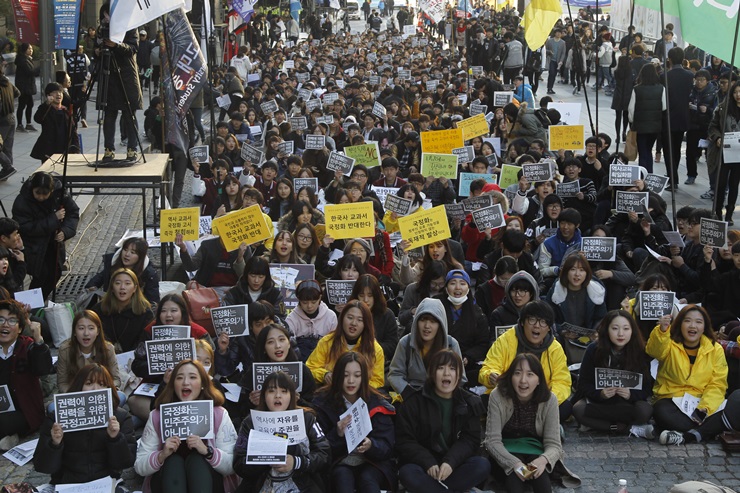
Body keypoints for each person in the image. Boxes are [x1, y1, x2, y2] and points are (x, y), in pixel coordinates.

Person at [134, 359, 239, 493]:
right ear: (173, 385)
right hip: (167, 481)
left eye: (193, 377)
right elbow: (140, 466)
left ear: (202, 384)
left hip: (210, 482)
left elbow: (232, 465)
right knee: (173, 462)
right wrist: (162, 455)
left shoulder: (218, 414)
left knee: (197, 460)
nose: (185, 382)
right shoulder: (157, 416)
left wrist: (208, 452)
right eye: (179, 378)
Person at [395, 349, 491, 493]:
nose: (447, 373)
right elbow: (405, 441)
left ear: (459, 375)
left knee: (482, 465)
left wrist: (450, 462)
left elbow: (470, 439)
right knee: (407, 473)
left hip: (454, 465)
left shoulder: (469, 402)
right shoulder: (414, 402)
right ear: (432, 373)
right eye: (441, 368)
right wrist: (427, 462)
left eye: (452, 369)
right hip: (424, 466)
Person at [485, 353, 581, 492]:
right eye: (517, 373)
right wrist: (515, 464)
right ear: (511, 376)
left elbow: (554, 445)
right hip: (506, 451)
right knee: (514, 485)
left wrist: (542, 460)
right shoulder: (498, 395)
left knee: (542, 484)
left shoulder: (549, 399)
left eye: (530, 374)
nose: (523, 380)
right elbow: (492, 441)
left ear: (539, 380)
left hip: (535, 450)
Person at [33, 364, 136, 485]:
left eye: (101, 384)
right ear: (79, 386)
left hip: (106, 483)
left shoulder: (120, 417)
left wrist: (115, 438)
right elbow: (42, 466)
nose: (95, 389)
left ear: (109, 388)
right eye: (89, 383)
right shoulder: (57, 418)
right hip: (67, 484)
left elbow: (126, 463)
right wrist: (55, 444)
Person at [312, 352, 397, 493]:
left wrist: (371, 445)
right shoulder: (322, 402)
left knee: (368, 480)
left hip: (373, 462)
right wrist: (337, 433)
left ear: (364, 378)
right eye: (346, 375)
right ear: (337, 376)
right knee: (342, 478)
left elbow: (387, 446)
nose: (351, 381)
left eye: (357, 376)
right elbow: (320, 449)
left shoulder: (377, 402)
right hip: (340, 460)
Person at [233, 371, 330, 493]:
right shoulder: (250, 422)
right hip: (261, 486)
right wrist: (264, 458)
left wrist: (296, 462)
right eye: (272, 391)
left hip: (301, 486)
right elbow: (238, 464)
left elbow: (324, 454)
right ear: (264, 395)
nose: (278, 396)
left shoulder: (306, 419)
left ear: (292, 396)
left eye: (284, 391)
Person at [479, 301, 572, 420]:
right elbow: (488, 367)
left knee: (566, 407)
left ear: (549, 328)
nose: (537, 326)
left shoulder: (555, 348)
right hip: (508, 397)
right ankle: (535, 423)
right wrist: (491, 376)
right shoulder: (506, 340)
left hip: (540, 400)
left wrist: (546, 399)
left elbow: (562, 382)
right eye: (532, 320)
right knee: (482, 402)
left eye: (543, 322)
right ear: (522, 322)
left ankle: (520, 421)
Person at [572, 310, 655, 437]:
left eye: (626, 329)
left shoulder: (640, 351)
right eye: (615, 328)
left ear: (632, 331)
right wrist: (600, 394)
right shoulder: (594, 350)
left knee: (644, 411)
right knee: (579, 409)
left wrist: (630, 394)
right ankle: (626, 428)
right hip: (601, 403)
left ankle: (600, 425)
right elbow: (583, 384)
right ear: (606, 330)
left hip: (628, 404)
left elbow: (647, 388)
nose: (621, 334)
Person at [647, 305, 728, 433]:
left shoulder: (715, 349)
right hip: (671, 399)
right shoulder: (669, 343)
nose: (692, 326)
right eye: (687, 321)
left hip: (701, 400)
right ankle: (703, 431)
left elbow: (717, 384)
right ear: (679, 324)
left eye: (698, 322)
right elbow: (654, 351)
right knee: (661, 412)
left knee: (727, 410)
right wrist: (662, 331)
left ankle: (691, 432)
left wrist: (704, 408)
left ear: (704, 326)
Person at [12, 171, 79, 299]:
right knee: (41, 274)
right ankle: (30, 304)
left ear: (52, 190)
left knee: (55, 272)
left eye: (45, 194)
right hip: (33, 245)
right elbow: (25, 227)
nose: (41, 197)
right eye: (38, 193)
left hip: (53, 243)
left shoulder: (60, 195)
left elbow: (73, 213)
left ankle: (39, 301)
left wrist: (65, 231)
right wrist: (54, 219)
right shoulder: (22, 201)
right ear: (32, 189)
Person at [388, 297, 466, 400]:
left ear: (440, 324)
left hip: (441, 397)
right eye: (423, 320)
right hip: (412, 398)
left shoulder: (451, 344)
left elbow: (461, 378)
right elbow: (395, 374)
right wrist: (408, 393)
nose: (427, 326)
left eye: (433, 321)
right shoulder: (405, 342)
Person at [0, 299, 51, 452]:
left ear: (20, 328)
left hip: (24, 411)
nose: (5, 324)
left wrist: (39, 341)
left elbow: (43, 369)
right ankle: (8, 437)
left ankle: (10, 435)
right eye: (0, 319)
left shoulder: (27, 346)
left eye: (11, 321)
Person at [96, 2, 143, 161]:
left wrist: (116, 45)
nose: (106, 19)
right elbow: (96, 49)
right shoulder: (102, 30)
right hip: (109, 77)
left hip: (126, 77)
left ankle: (132, 148)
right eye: (104, 16)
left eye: (108, 16)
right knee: (109, 114)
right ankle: (108, 149)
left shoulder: (130, 26)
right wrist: (97, 51)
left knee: (129, 114)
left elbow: (133, 48)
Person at [237, 323, 316, 414]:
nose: (277, 346)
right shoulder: (254, 373)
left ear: (289, 344)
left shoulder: (302, 371)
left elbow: (314, 408)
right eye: (270, 342)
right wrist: (252, 403)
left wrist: (298, 401)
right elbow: (240, 412)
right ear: (263, 348)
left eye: (282, 340)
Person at [306, 300, 385, 388]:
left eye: (360, 320)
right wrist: (324, 375)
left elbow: (378, 381)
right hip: (330, 392)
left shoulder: (375, 349)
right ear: (342, 318)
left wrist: (357, 385)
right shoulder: (326, 342)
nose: (353, 323)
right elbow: (310, 368)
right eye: (350, 318)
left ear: (366, 324)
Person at [434, 269, 488, 384]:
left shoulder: (477, 314)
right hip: (436, 359)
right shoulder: (435, 305)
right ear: (446, 287)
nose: (457, 288)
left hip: (464, 364)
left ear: (468, 288)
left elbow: (482, 344)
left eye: (462, 284)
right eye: (453, 283)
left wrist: (468, 357)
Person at [56, 310, 121, 394]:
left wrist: (104, 389)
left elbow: (116, 379)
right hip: (75, 395)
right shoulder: (65, 350)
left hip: (102, 393)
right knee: (52, 407)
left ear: (97, 331)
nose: (86, 333)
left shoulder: (108, 349)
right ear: (74, 332)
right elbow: (62, 383)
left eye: (91, 328)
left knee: (121, 396)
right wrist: (79, 394)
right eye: (81, 328)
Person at [91, 268, 154, 353]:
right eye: (118, 283)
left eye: (127, 283)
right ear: (112, 288)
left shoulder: (145, 312)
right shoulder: (99, 309)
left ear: (135, 288)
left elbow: (145, 340)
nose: (122, 287)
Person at [85, 236, 160, 306]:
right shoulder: (113, 263)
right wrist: (91, 287)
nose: (127, 254)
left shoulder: (149, 274)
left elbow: (153, 300)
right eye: (125, 250)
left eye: (132, 252)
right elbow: (102, 276)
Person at [708, 80, 740, 224]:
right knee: (720, 184)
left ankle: (730, 213)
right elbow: (712, 127)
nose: (738, 95)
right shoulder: (723, 108)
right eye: (735, 92)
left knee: (734, 184)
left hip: (738, 155)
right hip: (724, 152)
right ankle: (718, 212)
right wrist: (717, 138)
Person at [348, 274, 399, 363]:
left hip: (378, 361)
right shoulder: (348, 314)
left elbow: (392, 346)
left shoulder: (387, 315)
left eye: (370, 295)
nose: (366, 299)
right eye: (361, 295)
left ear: (376, 295)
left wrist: (371, 347)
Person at [285, 280, 338, 362]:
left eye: (313, 302)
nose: (309, 306)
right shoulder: (291, 319)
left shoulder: (330, 317)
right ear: (298, 299)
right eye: (305, 302)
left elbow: (335, 345)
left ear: (320, 298)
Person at [629, 63, 666, 174]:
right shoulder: (661, 88)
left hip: (640, 126)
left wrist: (632, 123)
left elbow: (631, 110)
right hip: (655, 126)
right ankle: (649, 173)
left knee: (642, 151)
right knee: (648, 149)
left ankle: (642, 175)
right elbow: (664, 106)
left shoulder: (636, 89)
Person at [29, 82, 79, 163]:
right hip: (49, 150)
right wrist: (47, 104)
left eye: (60, 92)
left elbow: (73, 131)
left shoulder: (66, 111)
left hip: (65, 149)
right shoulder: (46, 109)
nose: (58, 94)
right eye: (55, 92)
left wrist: (76, 150)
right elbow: (38, 118)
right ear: (49, 95)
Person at [0, 57, 19, 181]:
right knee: (7, 146)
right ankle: (6, 172)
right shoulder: (6, 81)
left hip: (2, 120)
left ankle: (7, 167)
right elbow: (18, 93)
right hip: (11, 117)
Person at [14, 43, 37, 133]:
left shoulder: (27, 59)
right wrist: (40, 68)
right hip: (23, 87)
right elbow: (30, 72)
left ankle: (28, 123)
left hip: (28, 87)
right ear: (24, 50)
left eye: (31, 48)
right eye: (29, 49)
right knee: (22, 105)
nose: (31, 50)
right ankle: (19, 125)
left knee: (30, 104)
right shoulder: (22, 60)